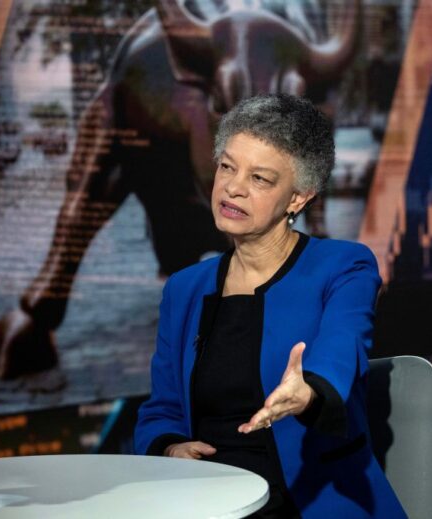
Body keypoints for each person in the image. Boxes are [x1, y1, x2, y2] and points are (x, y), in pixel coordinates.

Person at [134, 93, 406, 518]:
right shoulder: (184, 288)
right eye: (227, 167)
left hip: (309, 502)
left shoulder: (343, 266)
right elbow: (163, 407)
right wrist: (169, 447)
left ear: (298, 198)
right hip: (209, 501)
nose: (233, 188)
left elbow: (342, 345)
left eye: (260, 178)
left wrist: (308, 392)